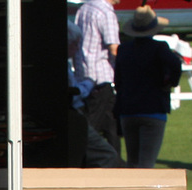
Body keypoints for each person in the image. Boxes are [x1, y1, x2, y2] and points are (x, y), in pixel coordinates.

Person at [113, 6, 181, 169]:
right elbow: (175, 64)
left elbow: (118, 80)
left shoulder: (124, 49)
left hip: (128, 110)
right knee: (146, 164)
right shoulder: (159, 48)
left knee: (132, 162)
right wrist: (170, 82)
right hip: (153, 110)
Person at [73, 0, 121, 159]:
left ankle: (115, 162)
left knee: (111, 125)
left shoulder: (84, 8)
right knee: (92, 128)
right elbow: (114, 48)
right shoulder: (106, 12)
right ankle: (81, 160)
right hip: (101, 78)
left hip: (84, 74)